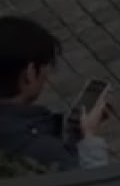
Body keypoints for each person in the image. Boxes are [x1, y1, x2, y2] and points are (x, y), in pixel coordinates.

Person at [0, 16, 110, 175]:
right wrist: (89, 138)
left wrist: (75, 134)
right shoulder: (47, 152)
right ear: (30, 73)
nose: (47, 76)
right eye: (47, 67)